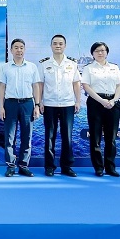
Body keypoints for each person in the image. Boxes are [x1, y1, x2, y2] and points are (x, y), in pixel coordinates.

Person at [38, 35, 81, 177]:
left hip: (67, 104)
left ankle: (66, 167)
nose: (58, 46)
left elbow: (76, 83)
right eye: (55, 43)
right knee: (49, 136)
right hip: (49, 104)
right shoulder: (44, 64)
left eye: (61, 43)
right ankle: (49, 166)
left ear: (65, 46)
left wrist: (78, 101)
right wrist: (40, 102)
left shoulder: (72, 64)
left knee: (67, 136)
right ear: (51, 46)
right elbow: (40, 84)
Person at [0, 38, 41, 177]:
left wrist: (37, 105)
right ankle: (11, 166)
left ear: (25, 50)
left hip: (27, 104)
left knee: (27, 135)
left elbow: (36, 86)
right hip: (10, 104)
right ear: (11, 50)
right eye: (16, 47)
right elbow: (2, 87)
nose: (19, 50)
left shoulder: (32, 67)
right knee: (9, 137)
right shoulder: (5, 67)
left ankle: (23, 165)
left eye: (21, 47)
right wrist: (1, 107)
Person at [81, 41, 120, 177]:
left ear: (107, 52)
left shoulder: (114, 68)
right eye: (97, 51)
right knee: (95, 137)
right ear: (92, 54)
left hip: (113, 103)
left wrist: (114, 100)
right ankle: (99, 168)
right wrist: (101, 101)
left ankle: (110, 167)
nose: (100, 53)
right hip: (95, 103)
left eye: (103, 50)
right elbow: (86, 86)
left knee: (111, 138)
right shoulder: (88, 68)